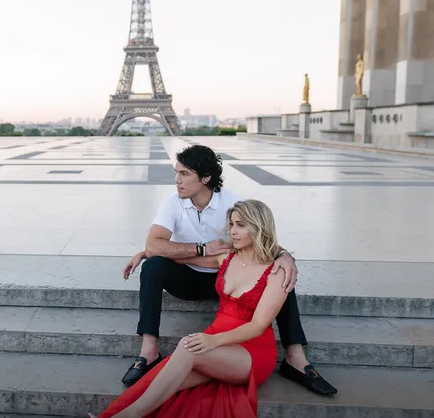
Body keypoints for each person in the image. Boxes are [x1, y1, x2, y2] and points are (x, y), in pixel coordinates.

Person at [64, 200, 291, 418]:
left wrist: (211, 340)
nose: (233, 231)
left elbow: (259, 325)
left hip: (251, 353)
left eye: (241, 225)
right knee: (165, 376)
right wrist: (145, 253)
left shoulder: (277, 270)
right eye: (232, 224)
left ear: (259, 226)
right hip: (217, 347)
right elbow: (178, 255)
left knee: (184, 349)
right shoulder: (227, 257)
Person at [121, 144, 337, 396]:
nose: (177, 181)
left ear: (205, 178)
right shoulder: (172, 203)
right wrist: (199, 249)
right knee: (153, 265)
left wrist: (285, 256)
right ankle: (149, 351)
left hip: (228, 281)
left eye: (184, 174)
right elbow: (154, 244)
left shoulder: (231, 202)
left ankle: (295, 357)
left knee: (280, 275)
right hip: (189, 277)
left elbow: (261, 238)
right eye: (176, 173)